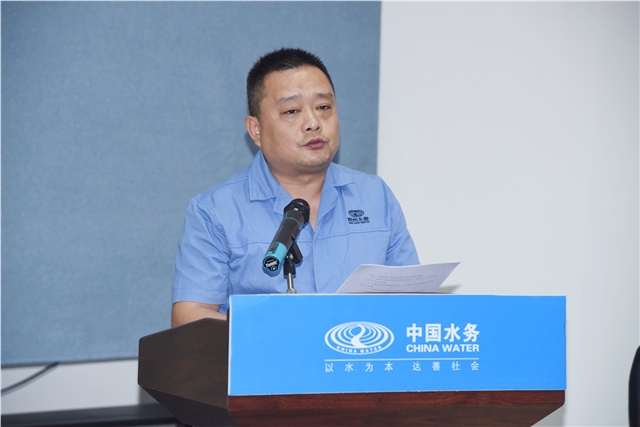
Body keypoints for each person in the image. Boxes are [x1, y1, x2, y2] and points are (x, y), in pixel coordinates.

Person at [171, 48, 419, 327]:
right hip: (266, 355)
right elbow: (189, 317)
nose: (313, 123)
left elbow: (414, 299)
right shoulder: (215, 211)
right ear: (256, 130)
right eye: (292, 111)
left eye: (323, 107)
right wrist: (283, 329)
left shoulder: (375, 196)